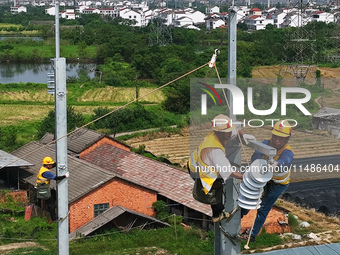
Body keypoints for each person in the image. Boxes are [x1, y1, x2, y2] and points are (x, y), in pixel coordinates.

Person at [188, 114, 255, 223]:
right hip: (196, 170)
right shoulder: (214, 150)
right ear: (219, 132)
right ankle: (218, 214)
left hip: (195, 161)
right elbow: (228, 172)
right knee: (215, 185)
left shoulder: (221, 133)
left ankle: (217, 213)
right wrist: (245, 177)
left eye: (229, 131)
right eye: (226, 132)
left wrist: (244, 134)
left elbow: (236, 131)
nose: (229, 133)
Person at [240, 120, 294, 242]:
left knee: (264, 207)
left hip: (278, 184)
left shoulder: (288, 152)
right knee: (250, 197)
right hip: (264, 178)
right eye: (275, 136)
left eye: (281, 138)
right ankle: (236, 218)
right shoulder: (265, 143)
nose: (277, 140)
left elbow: (285, 161)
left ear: (287, 139)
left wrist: (275, 163)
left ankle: (251, 235)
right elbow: (256, 155)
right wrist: (258, 160)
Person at [36, 156, 69, 222]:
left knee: (54, 193)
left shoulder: (43, 168)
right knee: (51, 203)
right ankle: (54, 218)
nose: (51, 165)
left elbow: (52, 166)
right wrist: (65, 176)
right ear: (47, 165)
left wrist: (58, 163)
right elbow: (55, 178)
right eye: (50, 164)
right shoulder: (46, 173)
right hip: (43, 189)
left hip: (43, 187)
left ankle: (55, 207)